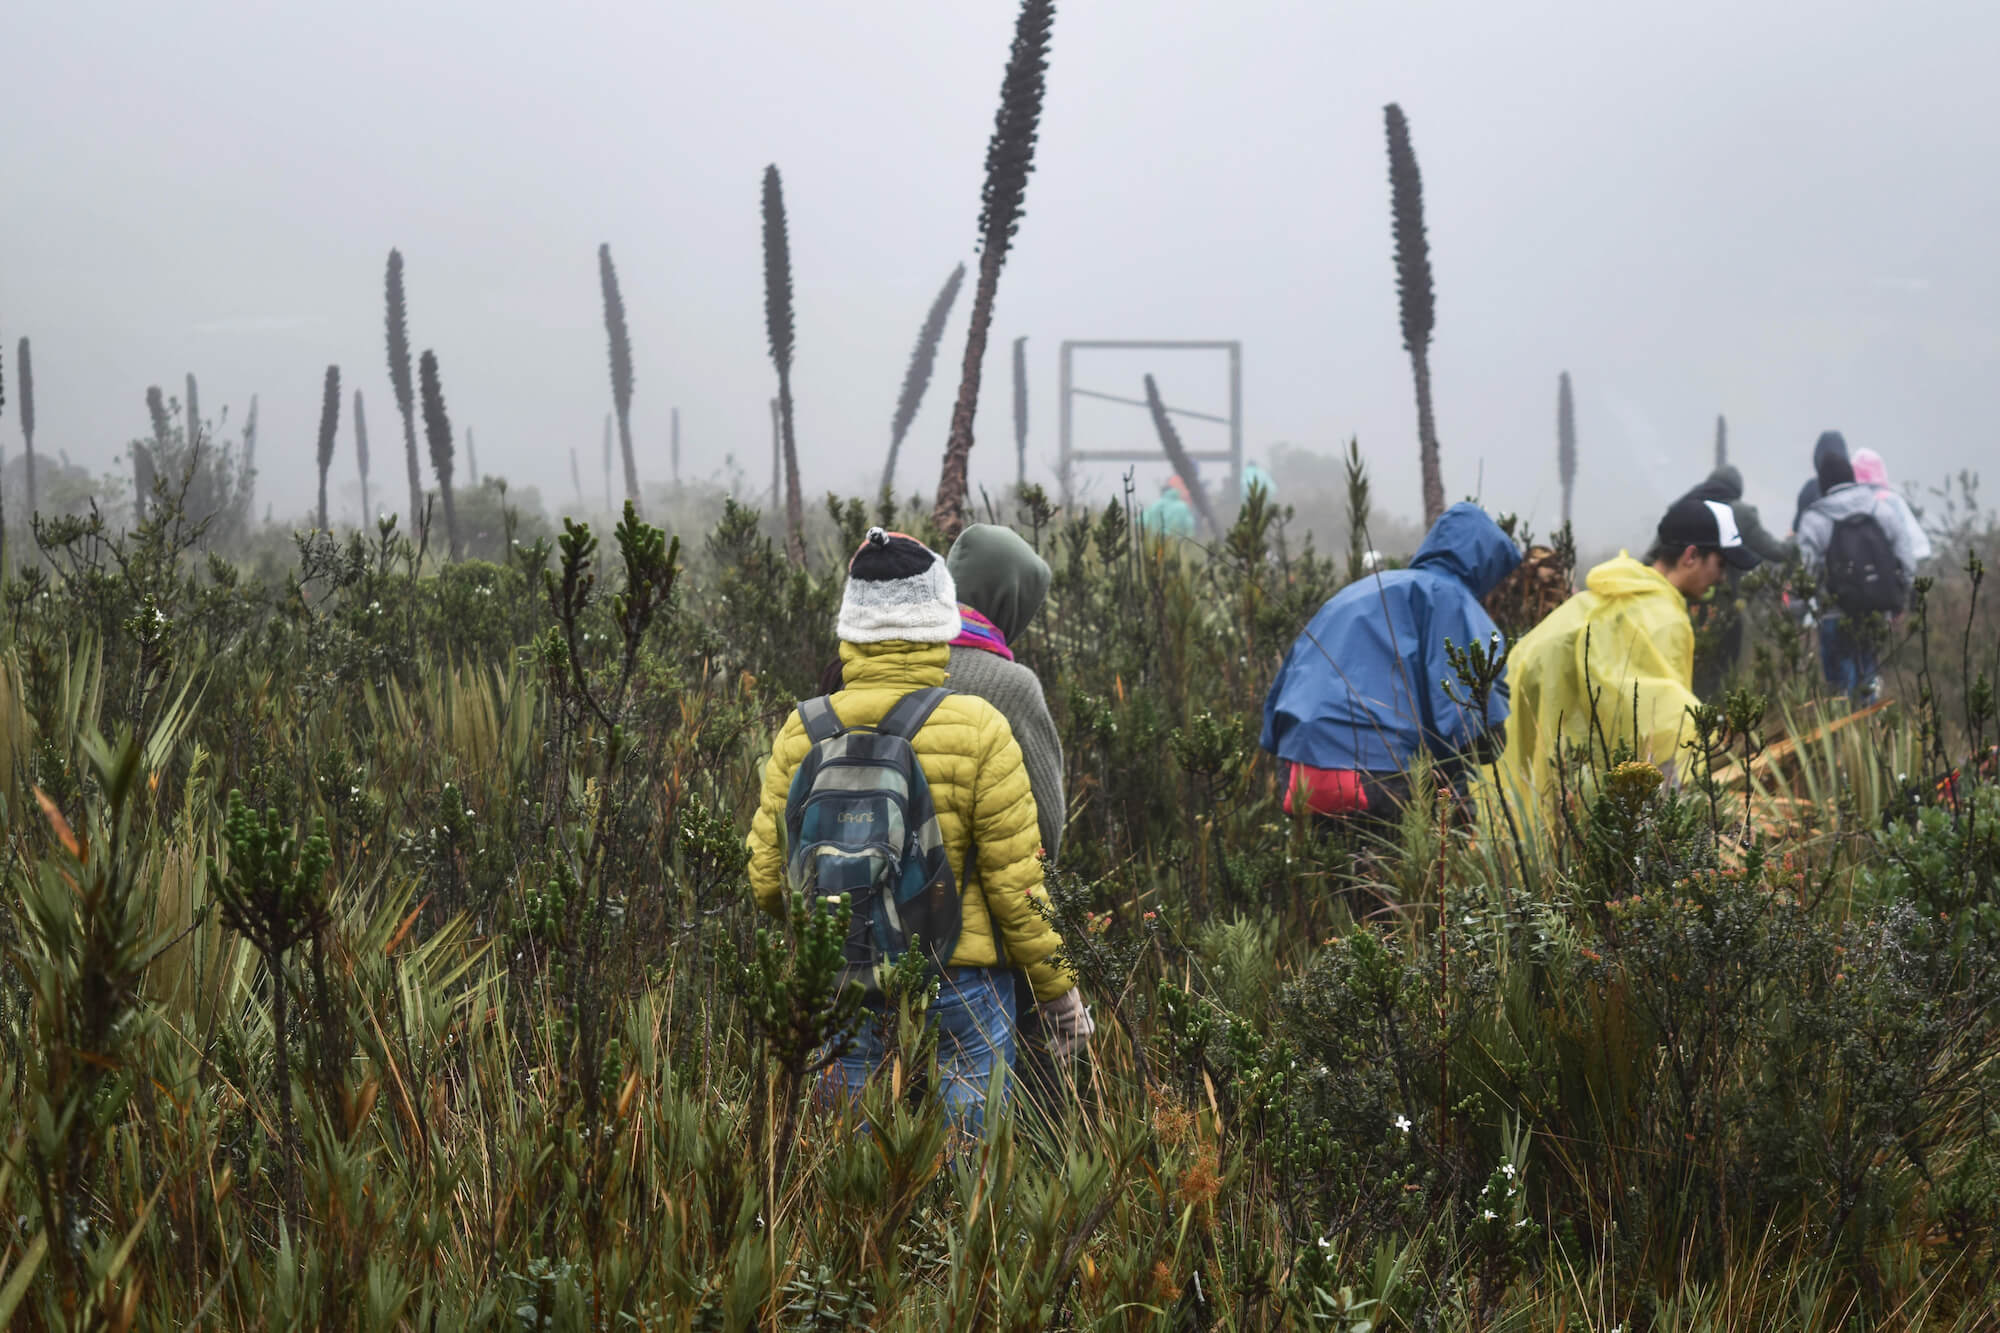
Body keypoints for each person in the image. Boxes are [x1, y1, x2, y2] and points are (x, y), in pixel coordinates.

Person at [746, 528, 1084, 1129]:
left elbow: (769, 883)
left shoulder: (802, 731)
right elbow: (1017, 887)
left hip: (842, 982)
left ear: (850, 622)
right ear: (939, 615)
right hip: (962, 985)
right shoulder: (979, 726)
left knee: (850, 1177)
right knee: (969, 1185)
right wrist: (1059, 993)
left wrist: (845, 918)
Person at [1261, 502, 1522, 832]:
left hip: (1301, 770)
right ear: (1486, 567)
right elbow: (1477, 727)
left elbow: (1280, 696)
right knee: (1406, 872)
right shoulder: (1450, 598)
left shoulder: (1355, 593)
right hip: (1378, 776)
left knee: (1332, 876)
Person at [944, 522, 1091, 1097]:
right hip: (985, 947)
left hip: (874, 933)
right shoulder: (1011, 684)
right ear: (1012, 601)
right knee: (1010, 1117)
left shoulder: (896, 662)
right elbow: (1042, 835)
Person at [1497, 495, 1760, 813]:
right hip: (1590, 792)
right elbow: (1661, 727)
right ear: (1691, 555)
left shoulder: (1611, 594)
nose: (1721, 578)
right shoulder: (1662, 617)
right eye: (1720, 564)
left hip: (1540, 766)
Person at [1795, 440, 1930, 700]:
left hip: (1834, 613)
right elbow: (1904, 554)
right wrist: (1903, 598)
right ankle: (1871, 727)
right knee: (1869, 672)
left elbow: (1806, 572)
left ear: (1823, 484)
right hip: (1875, 608)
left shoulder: (1815, 519)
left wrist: (1800, 611)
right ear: (1852, 478)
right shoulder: (1880, 509)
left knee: (1840, 684)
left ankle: (1846, 733)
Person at [1685, 464, 1792, 697]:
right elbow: (1773, 550)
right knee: (1724, 669)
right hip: (1724, 604)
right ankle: (1715, 719)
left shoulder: (1687, 509)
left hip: (1685, 604)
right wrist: (1793, 542)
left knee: (1689, 669)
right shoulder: (1739, 513)